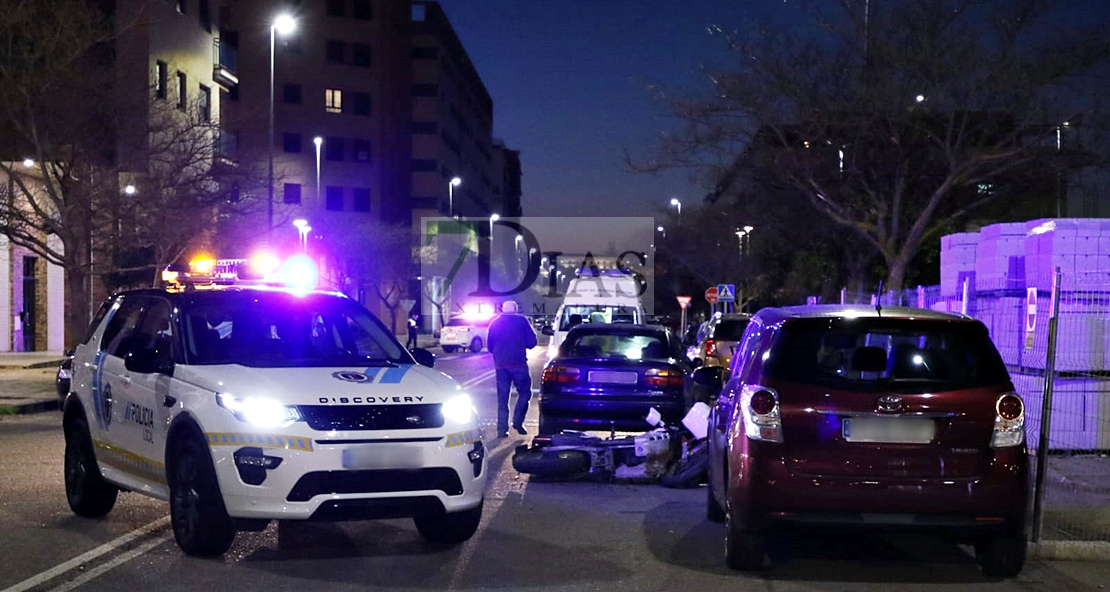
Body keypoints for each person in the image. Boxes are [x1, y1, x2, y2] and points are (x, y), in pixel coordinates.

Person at [486, 300, 538, 437]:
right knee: (525, 393)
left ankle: (502, 430)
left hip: (501, 365)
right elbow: (532, 342)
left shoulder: (494, 323)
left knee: (502, 398)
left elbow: (490, 346)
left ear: (503, 310)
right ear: (515, 309)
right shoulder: (522, 321)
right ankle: (517, 421)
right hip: (518, 364)